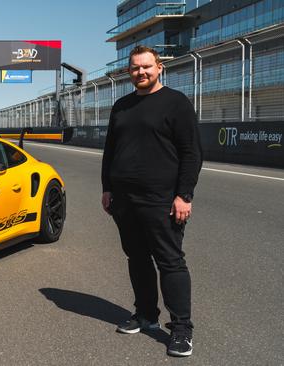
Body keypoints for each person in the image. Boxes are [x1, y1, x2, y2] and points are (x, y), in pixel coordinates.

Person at [101, 45, 202, 357]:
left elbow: (192, 153)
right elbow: (110, 151)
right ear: (129, 71)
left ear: (159, 68)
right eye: (134, 68)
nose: (140, 72)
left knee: (170, 262)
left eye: (146, 67)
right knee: (137, 259)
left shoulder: (176, 103)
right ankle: (146, 316)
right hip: (124, 201)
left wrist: (184, 195)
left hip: (161, 200)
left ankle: (182, 329)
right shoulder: (121, 106)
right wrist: (107, 188)